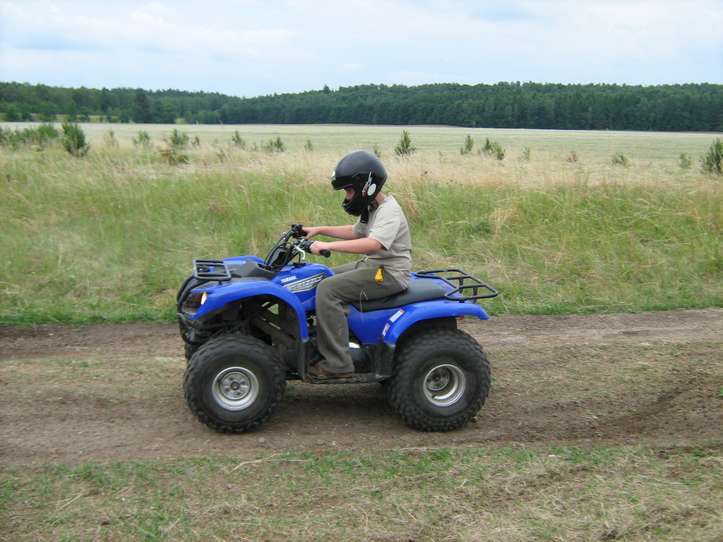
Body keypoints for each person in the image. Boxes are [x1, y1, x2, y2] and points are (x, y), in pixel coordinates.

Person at [304, 150, 412, 379]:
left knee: (328, 289)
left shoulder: (389, 211)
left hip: (389, 274)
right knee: (321, 276)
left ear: (366, 186)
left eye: (349, 190)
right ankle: (328, 336)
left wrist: (328, 246)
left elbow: (373, 244)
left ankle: (338, 364)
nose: (348, 196)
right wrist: (319, 230)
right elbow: (356, 232)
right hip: (373, 267)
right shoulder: (372, 207)